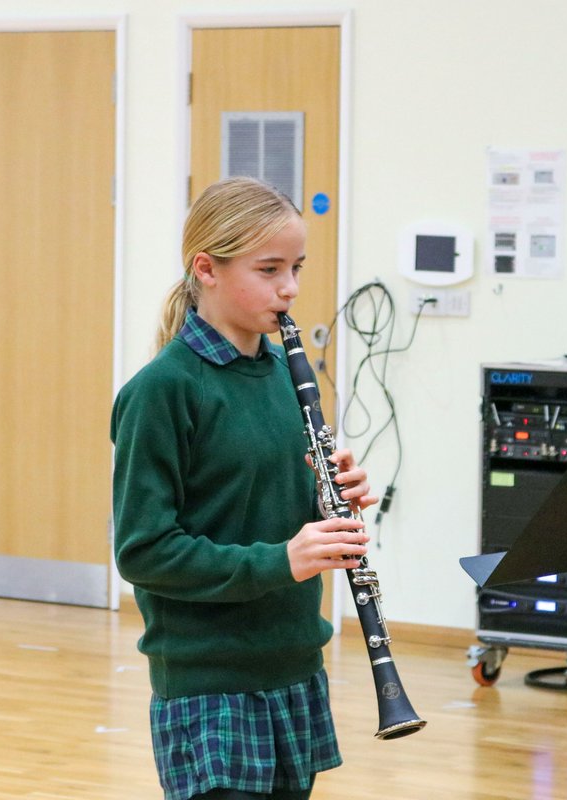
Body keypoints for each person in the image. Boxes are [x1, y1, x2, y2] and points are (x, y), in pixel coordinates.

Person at [111, 177, 377, 800]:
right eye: (269, 270)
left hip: (290, 661)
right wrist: (283, 560)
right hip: (211, 678)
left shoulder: (287, 375)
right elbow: (144, 550)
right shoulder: (164, 390)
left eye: (296, 268)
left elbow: (251, 502)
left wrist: (326, 502)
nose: (289, 288)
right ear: (206, 268)